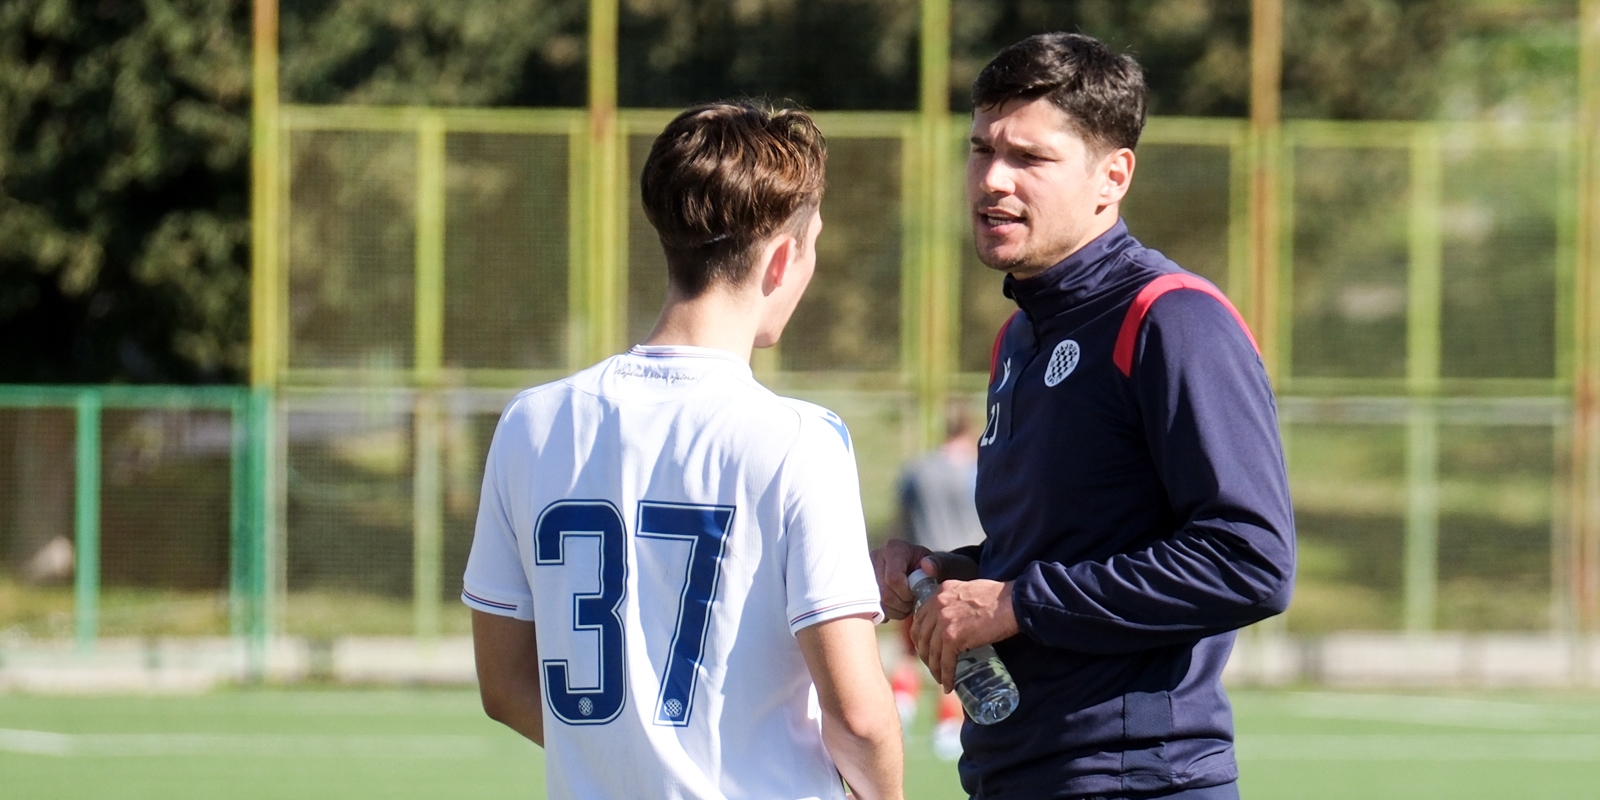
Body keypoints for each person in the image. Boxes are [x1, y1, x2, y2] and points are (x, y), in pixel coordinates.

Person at [872, 33, 1295, 800]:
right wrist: (953, 575)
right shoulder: (1021, 334)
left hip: (1132, 779)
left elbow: (1251, 561)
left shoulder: (1170, 321)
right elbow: (1066, 547)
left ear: (1113, 176)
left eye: (1029, 158)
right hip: (1021, 773)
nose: (992, 180)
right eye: (980, 150)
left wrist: (1014, 603)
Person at [464, 100, 904, 800]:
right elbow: (860, 717)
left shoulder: (532, 422)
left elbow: (506, 684)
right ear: (784, 257)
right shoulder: (799, 441)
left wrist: (635, 758)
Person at [890, 403, 986, 759]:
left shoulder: (917, 470)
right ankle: (949, 721)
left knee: (908, 649)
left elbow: (900, 520)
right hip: (966, 576)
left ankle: (902, 700)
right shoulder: (980, 469)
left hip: (922, 572)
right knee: (960, 650)